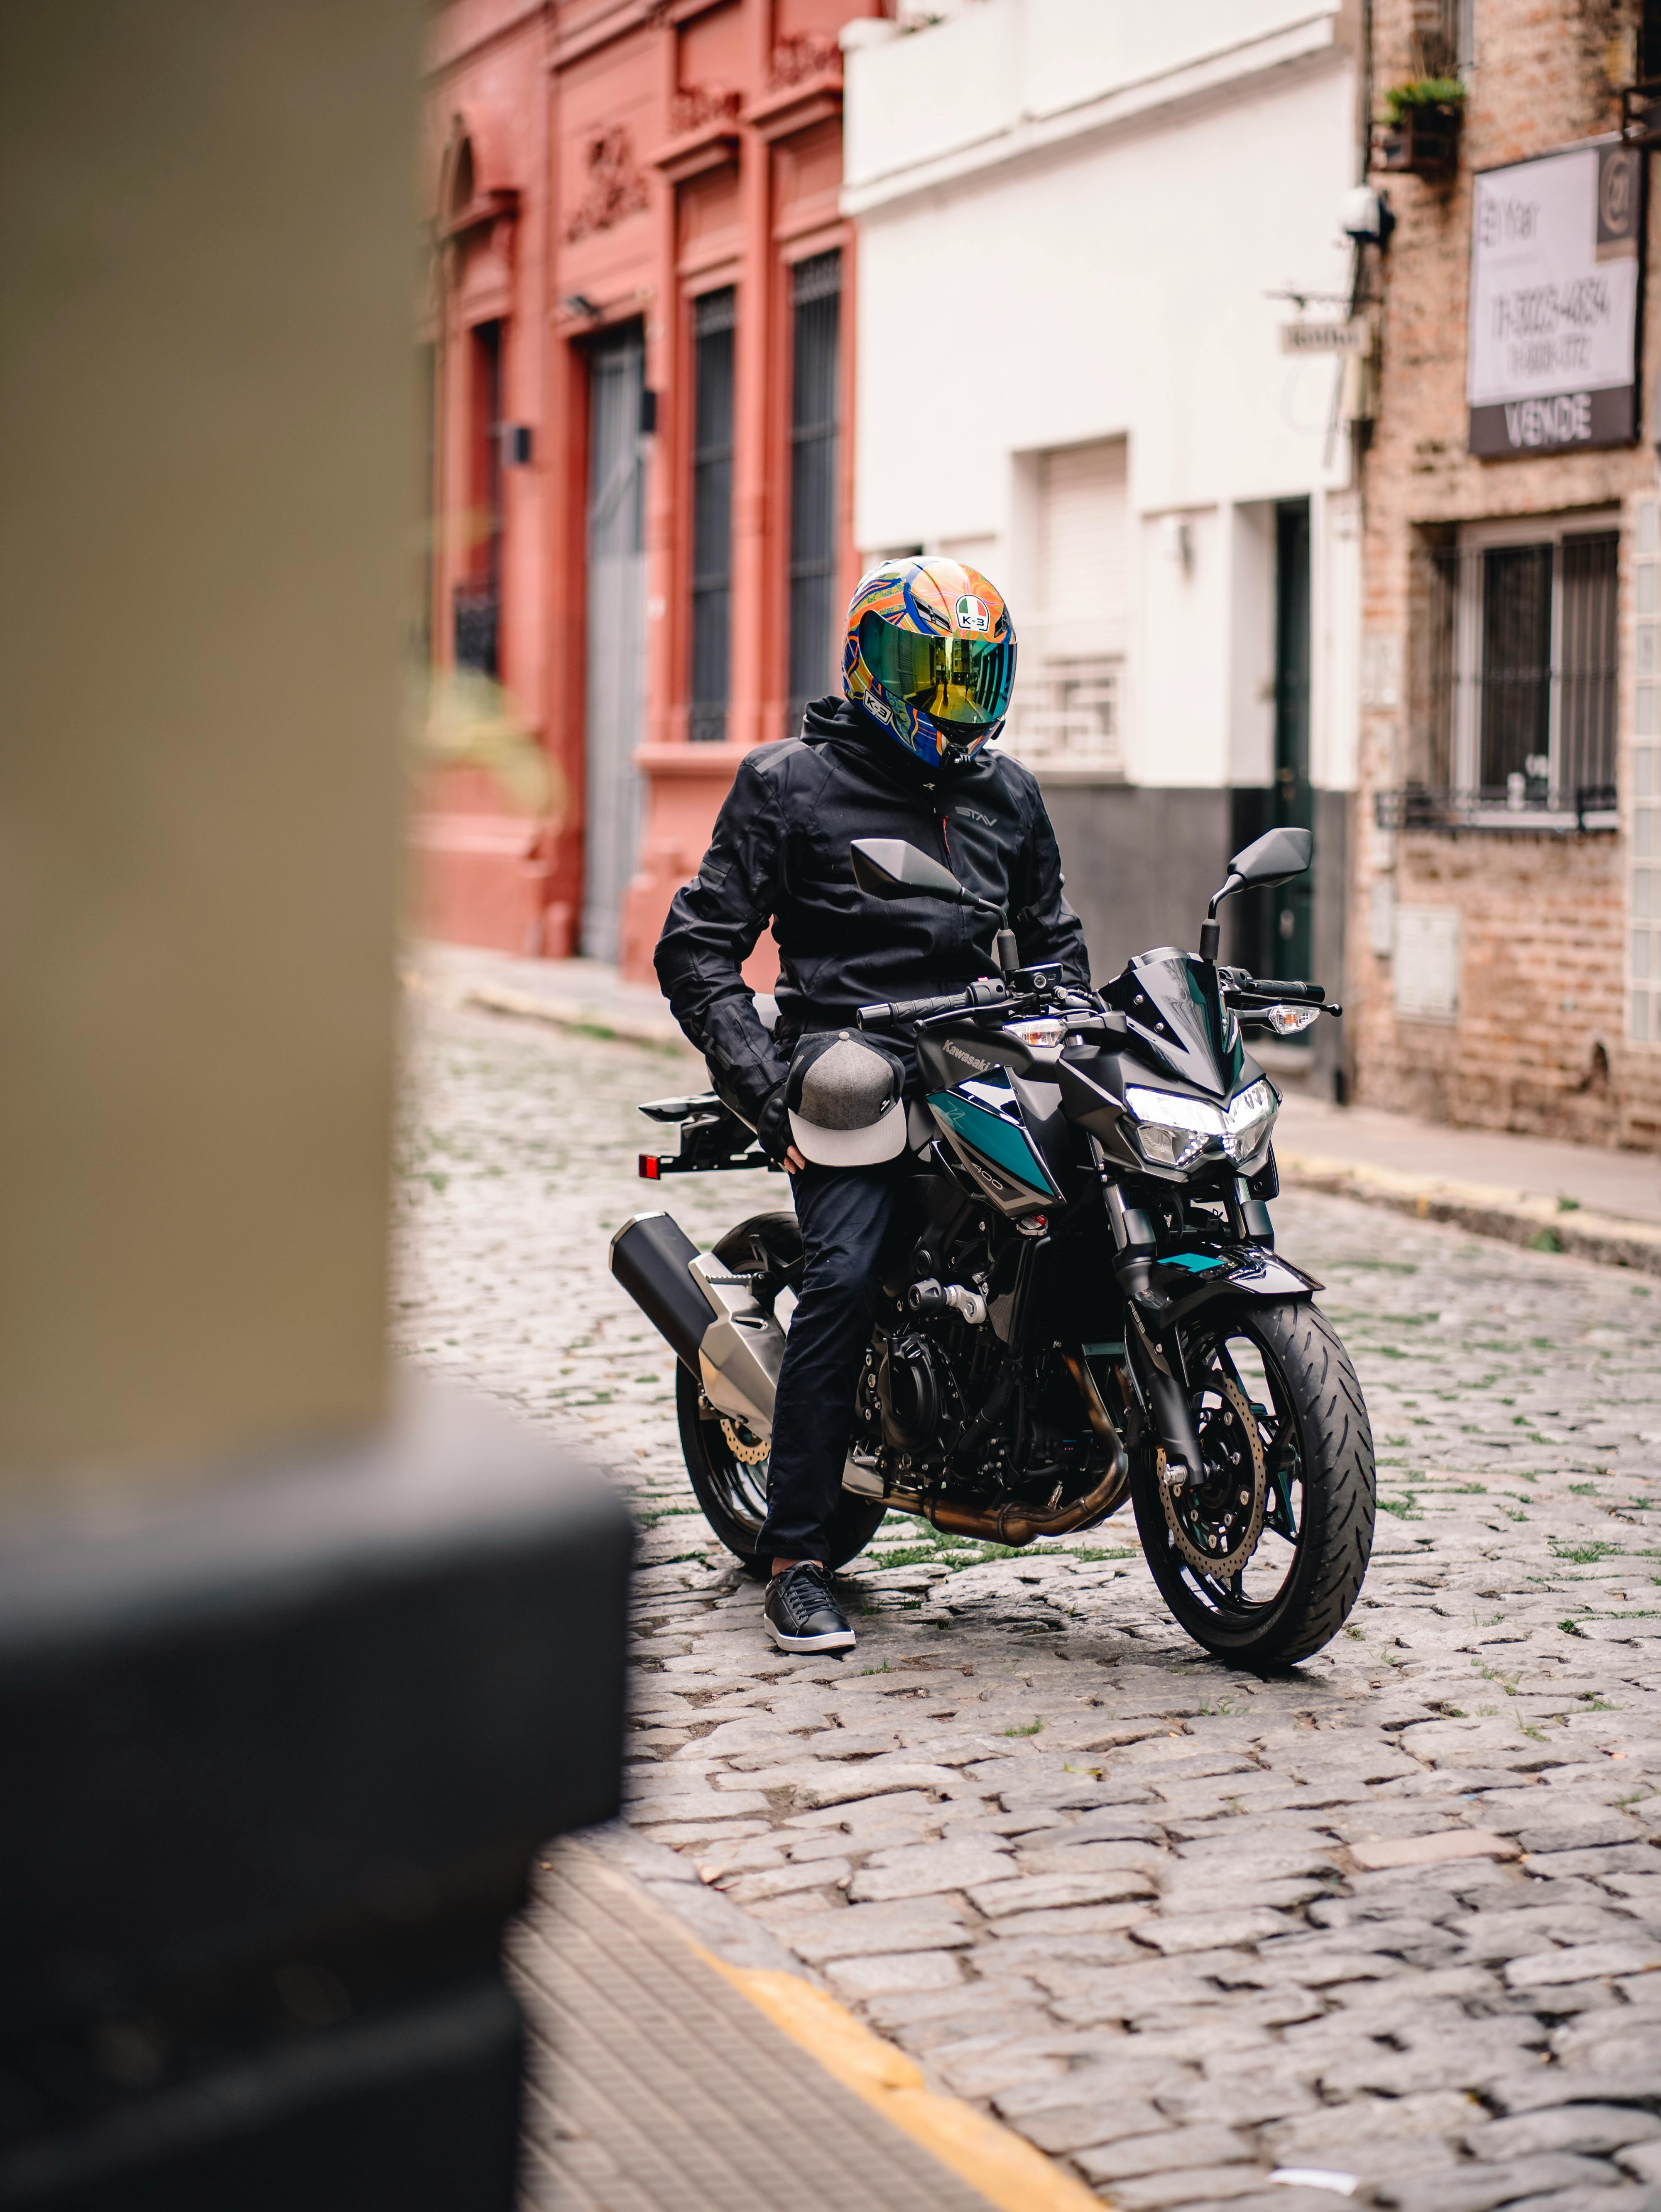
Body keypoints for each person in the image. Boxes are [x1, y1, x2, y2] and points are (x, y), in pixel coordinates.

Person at [654, 558, 1090, 1654]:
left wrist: (1081, 1030)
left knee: (1092, 1198)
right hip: (853, 1056)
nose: (954, 701)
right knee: (846, 1271)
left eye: (972, 676)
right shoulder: (789, 784)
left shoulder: (1010, 795)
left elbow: (1056, 946)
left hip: (980, 1050)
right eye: (930, 675)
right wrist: (764, 1096)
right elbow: (698, 948)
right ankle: (800, 1556)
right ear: (870, 667)